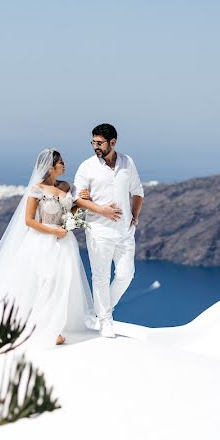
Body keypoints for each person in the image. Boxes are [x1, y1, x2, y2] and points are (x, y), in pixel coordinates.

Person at [0, 148, 95, 347]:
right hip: (43, 242)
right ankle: (42, 328)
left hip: (65, 243)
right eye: (60, 162)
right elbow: (29, 221)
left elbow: (69, 210)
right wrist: (54, 232)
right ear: (50, 167)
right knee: (46, 281)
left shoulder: (66, 186)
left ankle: (56, 325)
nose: (64, 164)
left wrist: (81, 205)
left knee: (63, 282)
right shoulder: (37, 190)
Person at [74, 123, 144, 338]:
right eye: (93, 142)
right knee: (101, 277)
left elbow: (138, 191)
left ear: (112, 143)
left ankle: (100, 312)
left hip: (124, 232)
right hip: (99, 231)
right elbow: (77, 198)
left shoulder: (127, 162)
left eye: (99, 143)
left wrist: (135, 216)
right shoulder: (87, 167)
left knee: (126, 275)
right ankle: (105, 320)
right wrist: (101, 210)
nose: (95, 146)